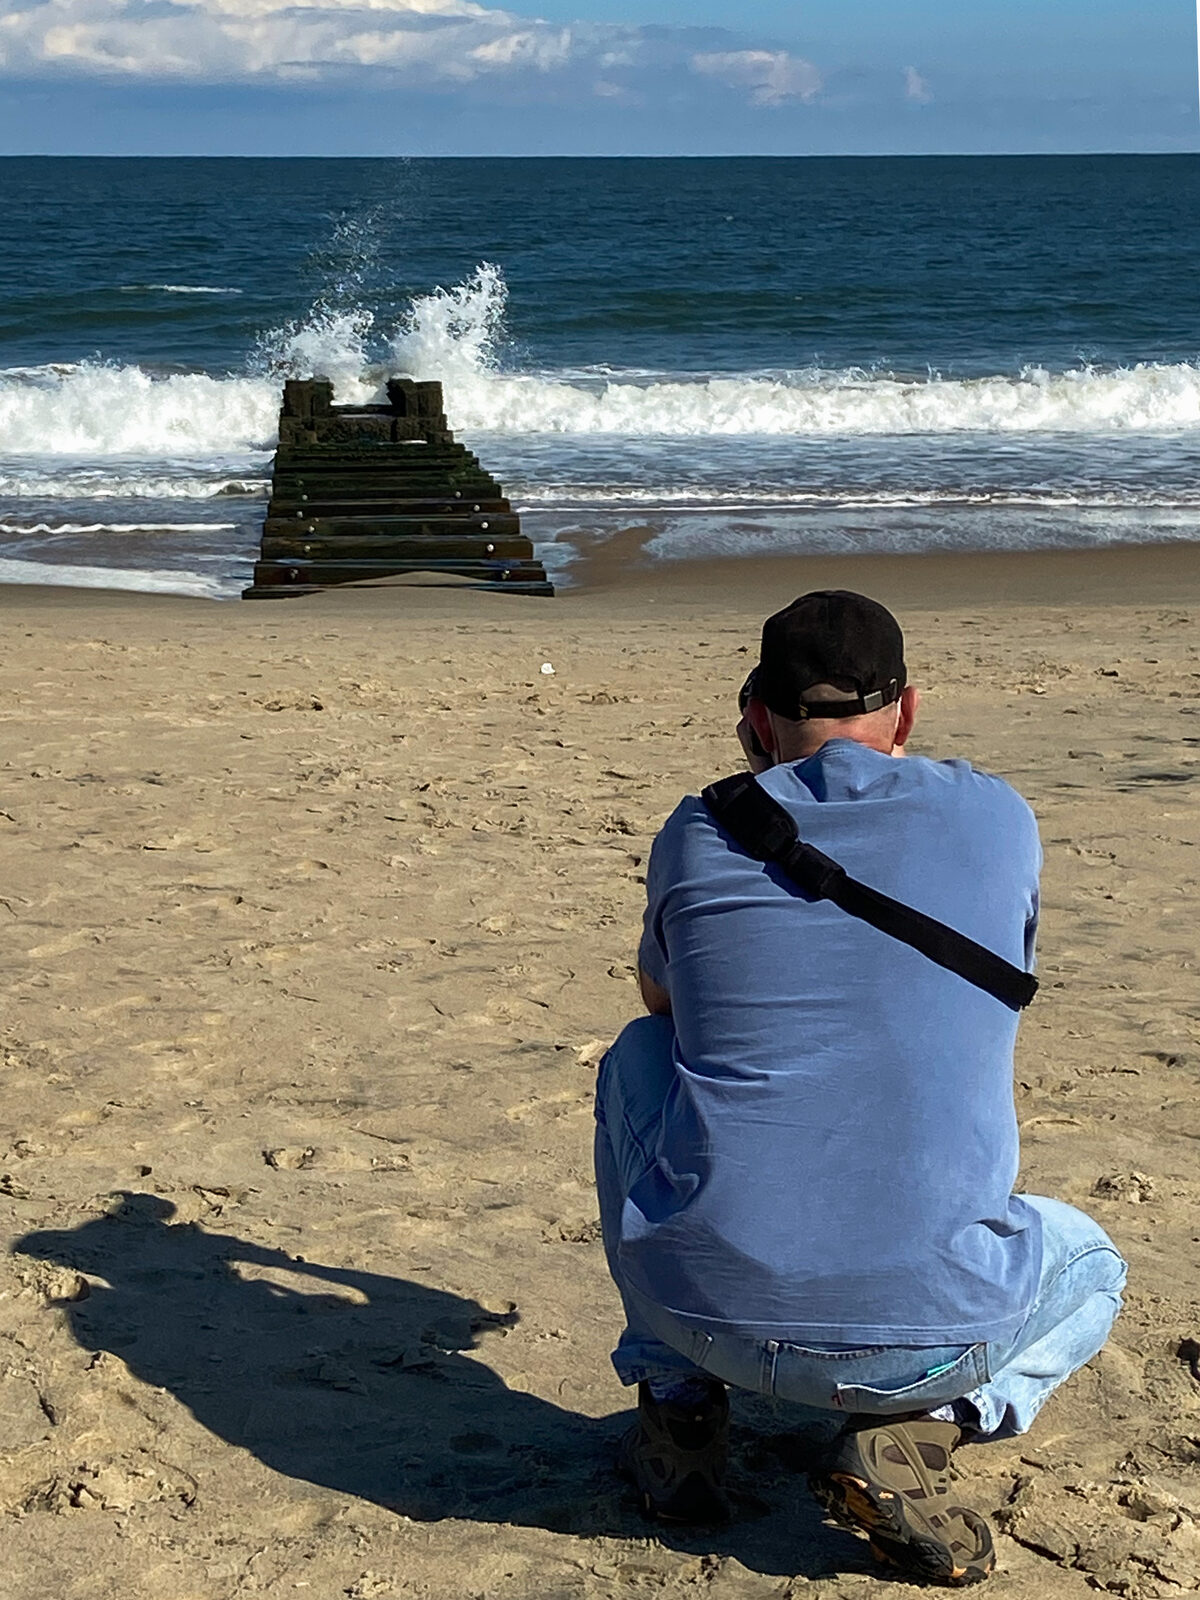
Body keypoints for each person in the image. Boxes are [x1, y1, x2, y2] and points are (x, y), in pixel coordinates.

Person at [593, 590, 1126, 1588]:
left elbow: (662, 1002)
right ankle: (932, 1421)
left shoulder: (702, 827)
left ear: (757, 717)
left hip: (703, 1312)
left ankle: (678, 1405)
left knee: (636, 1058)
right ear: (907, 710)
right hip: (932, 1338)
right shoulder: (997, 816)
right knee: (1094, 1266)